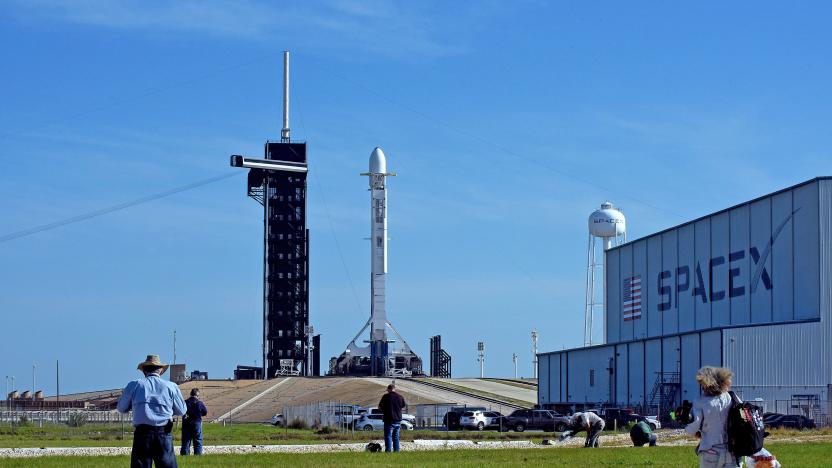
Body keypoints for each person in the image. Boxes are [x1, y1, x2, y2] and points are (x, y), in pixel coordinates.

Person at [117, 355, 186, 468]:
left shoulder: (134, 385)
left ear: (144, 370)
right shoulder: (171, 386)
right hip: (164, 432)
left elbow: (121, 408)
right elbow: (182, 410)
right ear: (161, 371)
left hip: (142, 433)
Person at [685, 366, 740, 468]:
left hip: (711, 451)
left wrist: (686, 423)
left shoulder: (700, 401)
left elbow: (692, 429)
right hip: (732, 451)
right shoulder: (731, 397)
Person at [377, 383, 406, 452]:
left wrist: (384, 411)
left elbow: (379, 407)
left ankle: (388, 451)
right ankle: (397, 451)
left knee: (388, 436)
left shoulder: (385, 397)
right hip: (398, 419)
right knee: (396, 437)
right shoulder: (400, 397)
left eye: (387, 390)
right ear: (394, 389)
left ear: (389, 389)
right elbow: (403, 406)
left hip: (388, 419)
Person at [180, 388, 208, 456]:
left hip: (186, 422)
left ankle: (185, 455)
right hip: (196, 422)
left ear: (190, 394)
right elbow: (205, 412)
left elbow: (181, 411)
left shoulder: (185, 402)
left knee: (186, 440)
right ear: (197, 395)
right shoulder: (199, 403)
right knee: (198, 440)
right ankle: (197, 455)